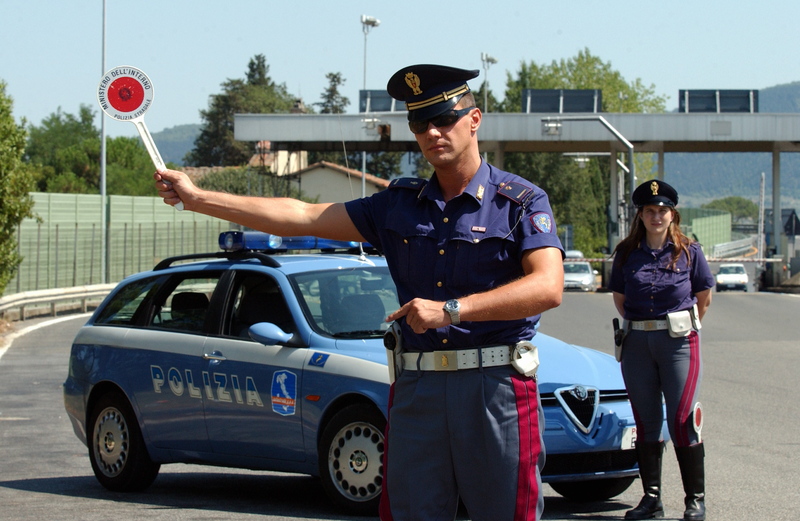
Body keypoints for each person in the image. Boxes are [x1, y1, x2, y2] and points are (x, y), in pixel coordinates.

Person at [155, 64, 564, 521]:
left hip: (494, 387)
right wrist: (198, 199)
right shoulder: (397, 204)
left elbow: (548, 286)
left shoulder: (521, 201)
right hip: (418, 387)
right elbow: (303, 215)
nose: (432, 132)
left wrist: (452, 310)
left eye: (444, 119)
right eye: (419, 123)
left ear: (474, 119)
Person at [609, 180, 714, 521]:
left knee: (682, 419)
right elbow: (621, 300)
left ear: (673, 215)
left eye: (662, 211)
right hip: (638, 341)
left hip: (679, 342)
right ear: (640, 215)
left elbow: (703, 298)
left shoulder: (689, 252)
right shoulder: (626, 254)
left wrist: (677, 326)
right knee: (646, 420)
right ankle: (651, 498)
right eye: (650, 211)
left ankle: (694, 500)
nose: (656, 216)